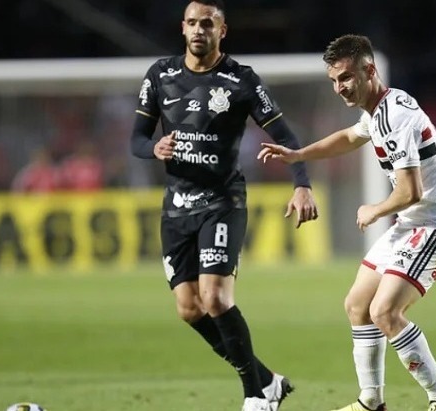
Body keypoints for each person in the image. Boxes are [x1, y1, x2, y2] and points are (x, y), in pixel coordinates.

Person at [259, 34, 436, 411]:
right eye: (334, 81)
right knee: (357, 304)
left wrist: (374, 209)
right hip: (411, 223)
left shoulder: (396, 116)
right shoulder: (378, 111)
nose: (339, 88)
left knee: (385, 312)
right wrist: (298, 154)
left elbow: (412, 191)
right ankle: (371, 401)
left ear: (369, 70)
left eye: (345, 78)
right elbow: (348, 137)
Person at [129, 1, 318, 411]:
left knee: (215, 299)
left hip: (222, 202)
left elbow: (286, 135)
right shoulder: (160, 76)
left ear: (222, 31)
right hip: (176, 205)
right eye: (193, 23)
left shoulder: (241, 80)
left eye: (208, 24)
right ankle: (268, 380)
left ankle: (255, 394)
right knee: (189, 308)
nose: (200, 30)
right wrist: (154, 147)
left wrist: (301, 185)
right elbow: (137, 140)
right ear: (183, 28)